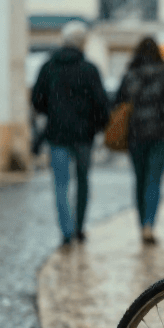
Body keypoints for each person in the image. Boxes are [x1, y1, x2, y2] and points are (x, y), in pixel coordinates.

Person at [31, 20, 110, 246]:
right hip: (84, 136)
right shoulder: (89, 70)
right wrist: (94, 125)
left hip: (57, 134)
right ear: (82, 43)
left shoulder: (48, 67)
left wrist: (54, 112)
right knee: (83, 181)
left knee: (60, 184)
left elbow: (37, 100)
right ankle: (79, 227)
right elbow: (101, 104)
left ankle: (66, 231)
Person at [116, 37, 164, 244]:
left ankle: (141, 223)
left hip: (136, 135)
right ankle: (148, 225)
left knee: (140, 179)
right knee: (154, 180)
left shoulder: (129, 76)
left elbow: (117, 103)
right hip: (159, 136)